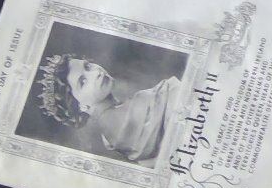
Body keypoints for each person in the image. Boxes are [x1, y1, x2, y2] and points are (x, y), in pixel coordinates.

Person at [35, 54, 180, 165]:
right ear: (80, 106)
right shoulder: (120, 122)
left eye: (88, 66)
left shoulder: (108, 134)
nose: (96, 73)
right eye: (83, 81)